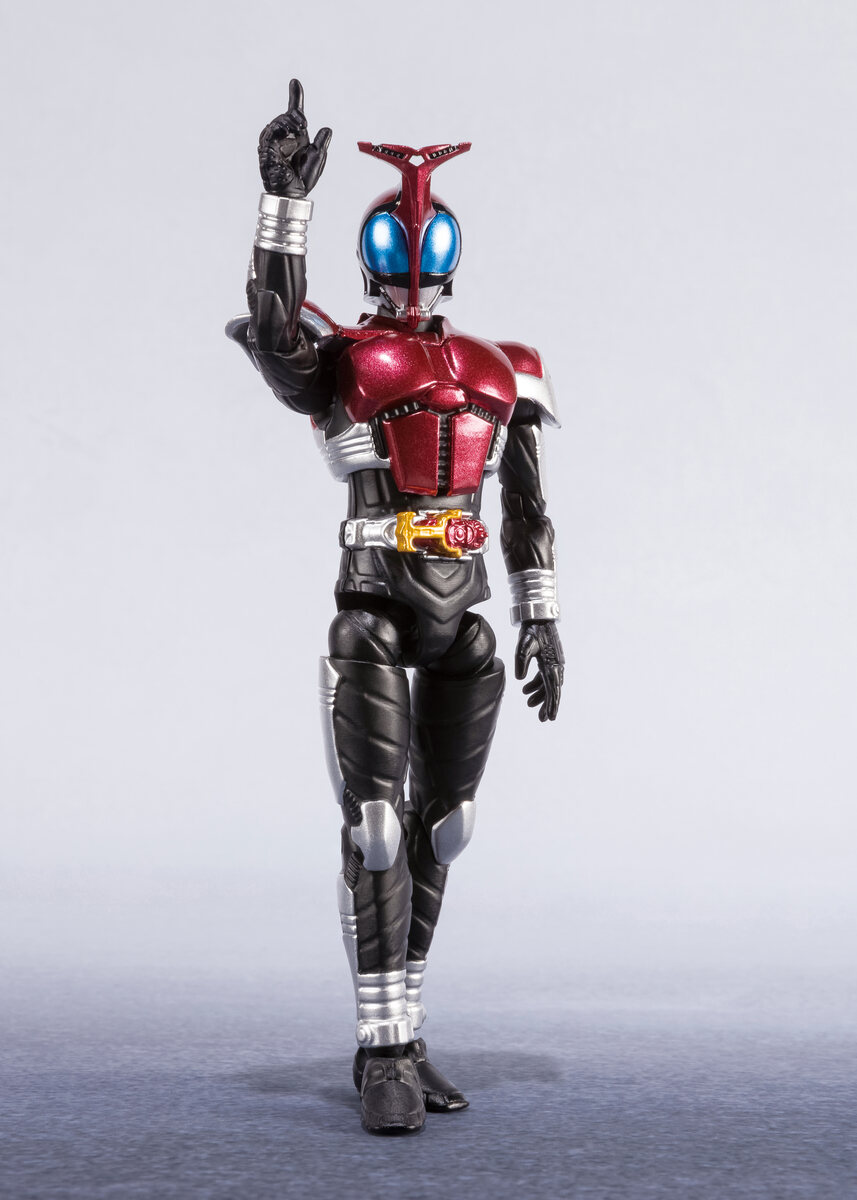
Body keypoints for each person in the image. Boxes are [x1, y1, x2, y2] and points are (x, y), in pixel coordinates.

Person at [227, 80, 564, 1134]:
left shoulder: (502, 370)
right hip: (371, 612)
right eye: (397, 247)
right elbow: (275, 331)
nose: (412, 264)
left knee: (444, 829)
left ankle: (410, 1036)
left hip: (465, 622)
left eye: (425, 245)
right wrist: (284, 205)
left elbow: (527, 508)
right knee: (376, 829)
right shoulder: (340, 361)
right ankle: (381, 1049)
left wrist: (542, 616)